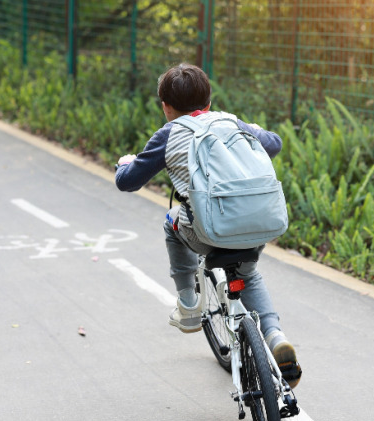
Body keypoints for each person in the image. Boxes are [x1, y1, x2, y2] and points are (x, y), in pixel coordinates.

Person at [114, 63, 301, 388]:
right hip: (259, 224)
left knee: (171, 220)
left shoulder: (169, 133)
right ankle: (275, 335)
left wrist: (125, 163)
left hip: (207, 231)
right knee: (249, 274)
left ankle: (188, 304)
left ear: (166, 106)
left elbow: (128, 182)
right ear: (209, 102)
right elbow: (274, 144)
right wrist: (254, 128)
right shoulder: (231, 121)